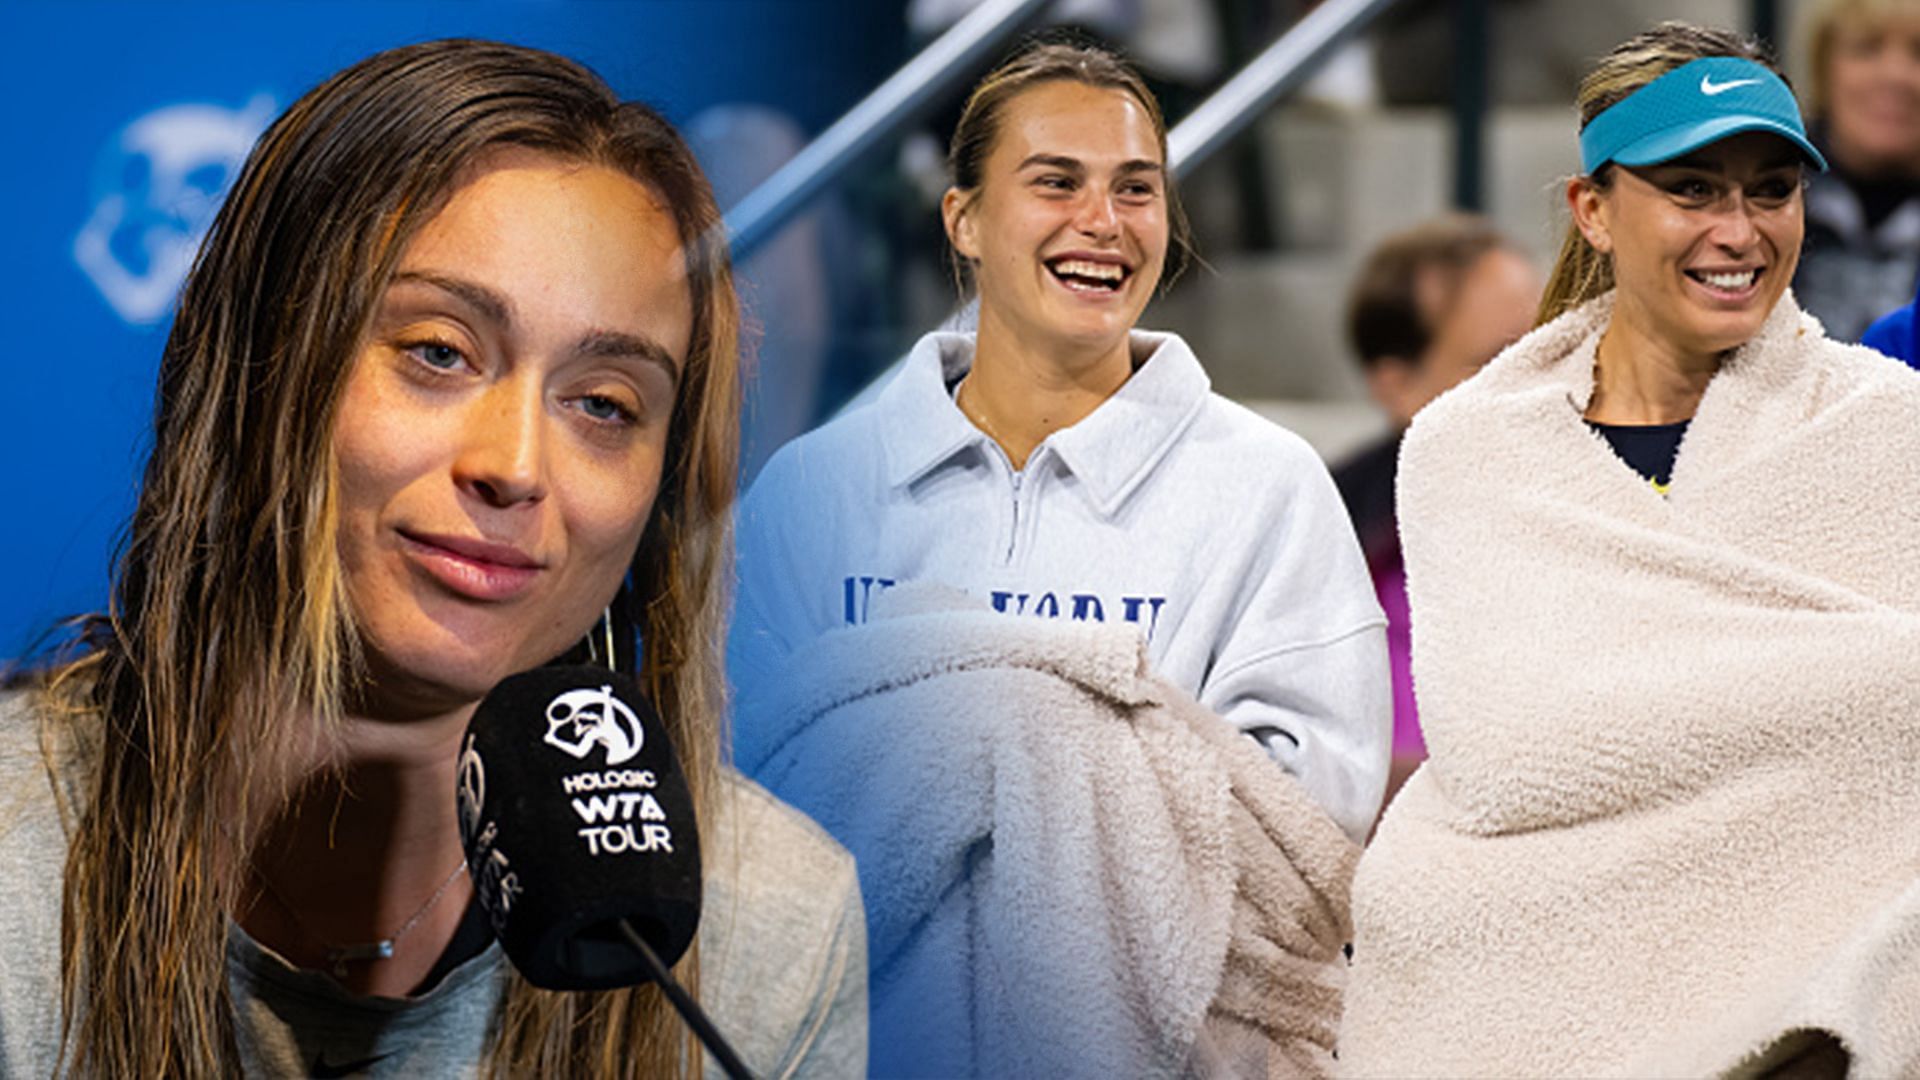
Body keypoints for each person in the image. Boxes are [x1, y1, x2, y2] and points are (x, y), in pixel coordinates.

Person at [0, 40, 864, 1078]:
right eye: (438, 352)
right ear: (257, 370)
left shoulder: (771, 931)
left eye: (603, 404)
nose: (512, 466)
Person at [1341, 22, 1920, 1076]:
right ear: (1593, 210)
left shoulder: (1893, 428)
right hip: (1534, 962)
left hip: (1815, 984)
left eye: (1771, 188)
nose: (1739, 229)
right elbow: (1511, 755)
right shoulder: (1467, 452)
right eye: (1692, 189)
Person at [731, 37, 1390, 845]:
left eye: (1136, 189)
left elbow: (1309, 817)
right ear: (964, 219)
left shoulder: (1268, 488)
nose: (1103, 222)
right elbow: (742, 776)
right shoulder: (815, 490)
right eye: (1056, 182)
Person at [1331, 216, 1538, 806]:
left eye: (1548, 345)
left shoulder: (1619, 506)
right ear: (1398, 386)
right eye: (1498, 360)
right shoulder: (1331, 537)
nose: (1542, 382)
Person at [1792, 0, 1920, 340]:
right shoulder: (1759, 195)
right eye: (1867, 48)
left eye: (1919, 53)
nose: (1895, 75)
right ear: (1823, 65)